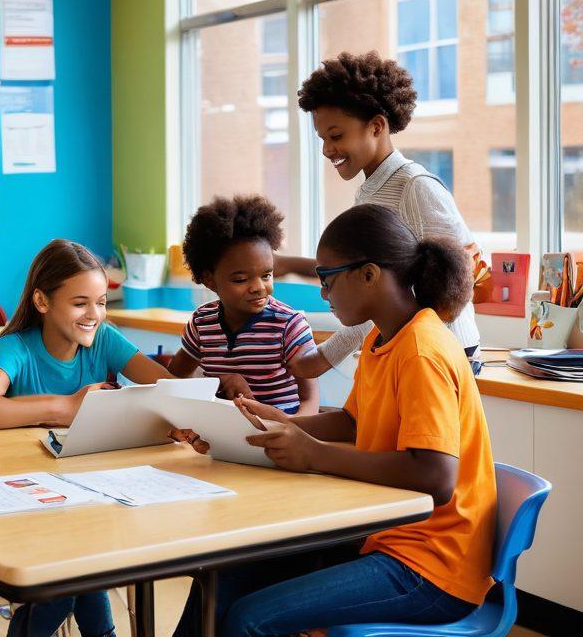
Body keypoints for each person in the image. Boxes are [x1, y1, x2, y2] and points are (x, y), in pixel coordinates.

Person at [172, 204, 495, 636]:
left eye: (327, 279)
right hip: (385, 537)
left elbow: (435, 477)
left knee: (249, 619)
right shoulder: (384, 337)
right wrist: (279, 422)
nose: (323, 294)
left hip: (432, 565)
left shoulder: (421, 350)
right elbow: (352, 421)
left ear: (369, 275)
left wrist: (315, 455)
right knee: (227, 574)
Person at [0, 238, 171, 637]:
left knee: (82, 564)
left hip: (88, 496)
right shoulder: (17, 346)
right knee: (75, 571)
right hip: (25, 501)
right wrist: (68, 407)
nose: (94, 314)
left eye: (101, 302)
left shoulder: (105, 338)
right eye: (80, 303)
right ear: (42, 301)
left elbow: (166, 387)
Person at [278, 51, 483, 377]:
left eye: (336, 136)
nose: (327, 150)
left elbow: (461, 274)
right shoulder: (370, 191)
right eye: (323, 139)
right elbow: (370, 293)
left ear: (376, 126)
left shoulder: (415, 186)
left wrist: (324, 357)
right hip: (411, 348)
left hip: (440, 352)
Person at [167, 195, 317, 415]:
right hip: (221, 429)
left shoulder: (289, 325)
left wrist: (289, 430)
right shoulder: (201, 323)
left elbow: (310, 400)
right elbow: (174, 379)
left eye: (266, 275)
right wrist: (220, 382)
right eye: (241, 279)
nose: (259, 287)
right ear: (209, 280)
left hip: (280, 429)